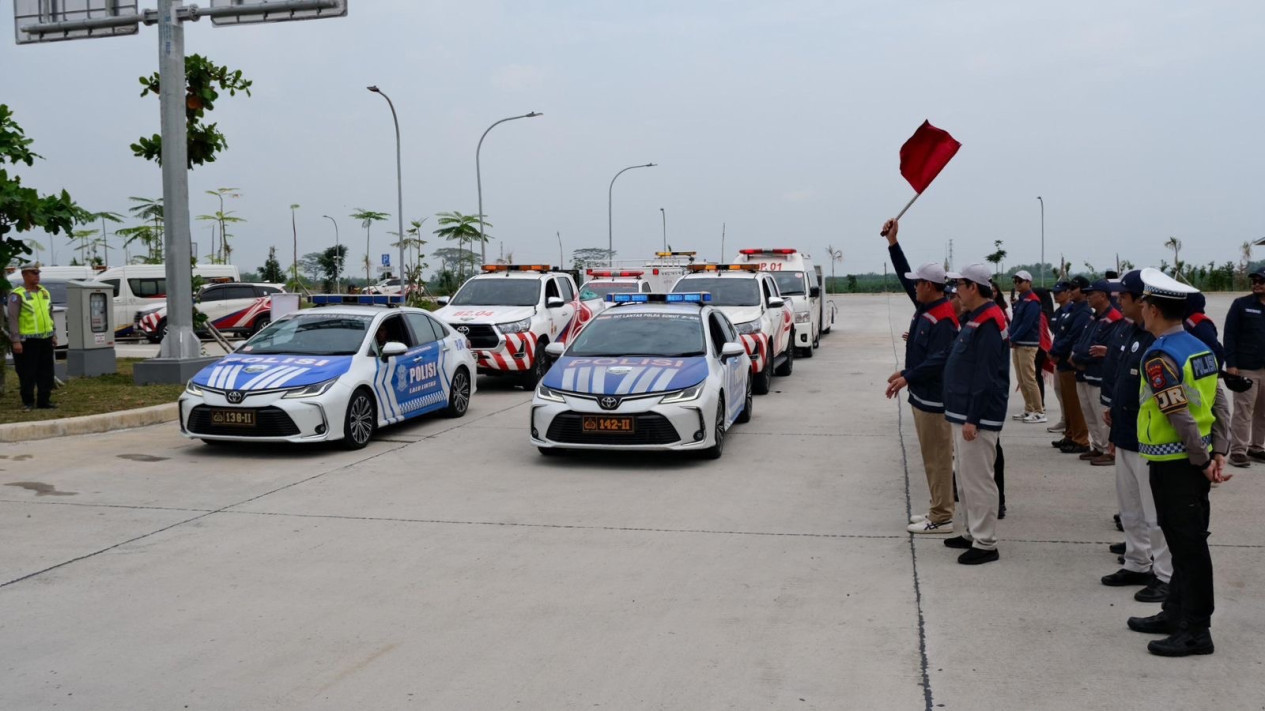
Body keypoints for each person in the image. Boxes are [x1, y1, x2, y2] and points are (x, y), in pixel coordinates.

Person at [1126, 268, 1231, 657]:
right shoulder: (1196, 346)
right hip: (1194, 458)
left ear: (1152, 309)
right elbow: (1218, 401)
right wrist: (1219, 450)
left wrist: (1203, 461)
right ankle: (1175, 611)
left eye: (1144, 304)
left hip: (1178, 462)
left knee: (1188, 547)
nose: (1142, 309)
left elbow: (1178, 412)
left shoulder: (1161, 355)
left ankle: (1196, 629)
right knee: (1180, 539)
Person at [881, 218, 960, 535]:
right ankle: (937, 508)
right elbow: (903, 276)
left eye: (919, 283)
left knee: (939, 459)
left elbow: (940, 360)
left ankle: (942, 516)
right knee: (931, 458)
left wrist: (908, 375)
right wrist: (893, 244)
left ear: (930, 286)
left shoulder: (943, 317)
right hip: (923, 397)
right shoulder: (928, 304)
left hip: (934, 399)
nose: (914, 286)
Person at [1099, 271, 1171, 603]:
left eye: (1123, 297)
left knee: (1154, 511)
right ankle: (1137, 561)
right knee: (1129, 507)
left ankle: (1165, 575)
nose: (1118, 301)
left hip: (1151, 440)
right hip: (1126, 432)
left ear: (1143, 301)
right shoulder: (1128, 331)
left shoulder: (1160, 340)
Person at [940, 264, 1010, 565]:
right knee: (966, 480)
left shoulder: (990, 321)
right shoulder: (975, 317)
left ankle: (985, 542)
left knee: (978, 480)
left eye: (959, 285)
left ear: (972, 286)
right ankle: (971, 531)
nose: (956, 292)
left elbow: (986, 375)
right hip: (962, 411)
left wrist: (973, 418)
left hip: (976, 416)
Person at [1069, 280, 1123, 464]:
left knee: (1101, 416)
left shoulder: (1113, 319)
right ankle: (1098, 447)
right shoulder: (1094, 317)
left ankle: (1110, 451)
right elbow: (1081, 341)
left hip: (1098, 374)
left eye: (1092, 294)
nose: (1088, 297)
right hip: (1084, 373)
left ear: (1103, 295)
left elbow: (1099, 347)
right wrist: (1075, 355)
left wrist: (1078, 357)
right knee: (1089, 413)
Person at [1222, 267, 1265, 467]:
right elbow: (1229, 335)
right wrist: (1231, 364)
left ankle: (1256, 448)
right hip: (1246, 367)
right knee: (1243, 410)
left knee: (1263, 411)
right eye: (1254, 281)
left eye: (1261, 281)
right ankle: (1238, 450)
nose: (1256, 284)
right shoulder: (1241, 305)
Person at [1050, 276, 1093, 453]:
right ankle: (1070, 434)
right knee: (1067, 403)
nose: (1070, 292)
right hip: (1062, 361)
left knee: (1075, 404)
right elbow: (1060, 333)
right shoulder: (1072, 310)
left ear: (1083, 291)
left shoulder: (1083, 312)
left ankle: (1080, 439)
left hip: (1069, 362)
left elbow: (1072, 337)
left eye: (1074, 288)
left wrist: (1056, 351)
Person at [7, 263, 57, 411]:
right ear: (24, 275)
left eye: (38, 273)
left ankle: (44, 401)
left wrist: (54, 334)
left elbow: (50, 314)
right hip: (27, 341)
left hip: (45, 339)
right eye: (33, 273)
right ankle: (28, 402)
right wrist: (16, 340)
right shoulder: (17, 294)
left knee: (47, 372)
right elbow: (12, 318)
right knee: (27, 373)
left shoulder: (44, 292)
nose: (37, 276)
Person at [1009, 270, 1046, 423]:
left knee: (1029, 378)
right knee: (1021, 378)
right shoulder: (1021, 300)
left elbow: (1026, 324)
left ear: (1029, 282)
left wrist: (1012, 337)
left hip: (1027, 344)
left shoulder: (1032, 301)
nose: (1017, 283)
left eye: (1020, 280)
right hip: (1019, 343)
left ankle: (1039, 411)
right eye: (1015, 280)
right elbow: (1016, 322)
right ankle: (1029, 408)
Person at [1046, 282, 1073, 433]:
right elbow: (1057, 336)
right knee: (1058, 390)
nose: (1056, 295)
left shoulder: (1072, 311)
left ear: (1068, 292)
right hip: (1057, 355)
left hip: (1066, 358)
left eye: (1059, 292)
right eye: (1054, 292)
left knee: (1069, 395)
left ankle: (1069, 422)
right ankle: (1065, 419)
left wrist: (1057, 352)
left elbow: (1069, 338)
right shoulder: (1058, 313)